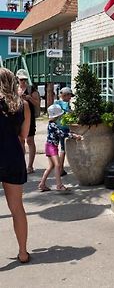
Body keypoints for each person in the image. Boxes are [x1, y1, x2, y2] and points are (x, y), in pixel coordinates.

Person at [0, 67, 31, 264]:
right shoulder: (23, 105)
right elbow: (24, 135)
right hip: (13, 157)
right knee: (17, 208)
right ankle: (22, 252)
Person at [38, 104, 82, 192]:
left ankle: (42, 184)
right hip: (52, 147)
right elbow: (61, 134)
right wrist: (73, 135)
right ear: (57, 116)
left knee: (51, 166)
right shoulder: (53, 125)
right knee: (57, 165)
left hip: (49, 145)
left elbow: (60, 133)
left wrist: (71, 134)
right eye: (60, 115)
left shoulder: (52, 124)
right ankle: (59, 185)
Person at [16, 69, 40, 174]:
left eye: (25, 79)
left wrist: (29, 98)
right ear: (17, 79)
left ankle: (30, 166)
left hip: (29, 117)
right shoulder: (15, 89)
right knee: (21, 141)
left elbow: (37, 103)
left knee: (30, 141)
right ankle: (22, 164)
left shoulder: (31, 89)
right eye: (21, 79)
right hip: (18, 117)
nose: (23, 81)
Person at [54, 87, 73, 176]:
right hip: (63, 128)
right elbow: (68, 113)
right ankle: (60, 168)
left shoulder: (56, 103)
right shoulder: (65, 104)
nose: (70, 98)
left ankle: (58, 167)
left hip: (57, 127)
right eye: (69, 96)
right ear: (65, 95)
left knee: (58, 148)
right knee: (63, 149)